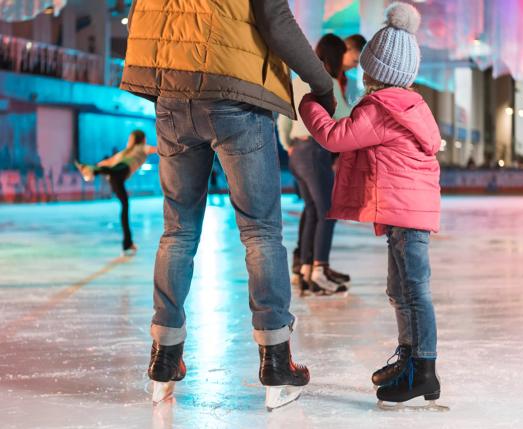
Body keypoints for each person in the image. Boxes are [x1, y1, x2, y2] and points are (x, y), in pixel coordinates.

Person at [120, 0, 336, 409]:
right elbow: (276, 19)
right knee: (260, 231)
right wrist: (320, 83)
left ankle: (164, 359)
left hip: (172, 93)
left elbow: (144, 20)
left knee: (177, 230)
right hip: (235, 96)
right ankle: (276, 360)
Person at [299, 3, 446, 410]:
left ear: (379, 73)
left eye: (368, 69)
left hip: (405, 212)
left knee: (413, 291)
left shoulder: (382, 109)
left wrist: (310, 101)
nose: (363, 75)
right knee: (400, 290)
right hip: (406, 212)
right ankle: (410, 359)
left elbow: (333, 136)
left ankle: (424, 367)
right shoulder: (411, 105)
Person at [278, 34, 352, 297]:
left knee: (312, 210)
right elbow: (344, 116)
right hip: (314, 151)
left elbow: (283, 120)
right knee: (327, 212)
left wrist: (289, 144)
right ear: (335, 56)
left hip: (297, 152)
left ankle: (306, 269)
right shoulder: (326, 83)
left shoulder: (298, 83)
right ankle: (318, 271)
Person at [75, 130, 155, 256]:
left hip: (115, 179)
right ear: (143, 139)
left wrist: (97, 166)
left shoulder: (125, 152)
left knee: (124, 205)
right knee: (115, 173)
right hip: (121, 172)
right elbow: (157, 149)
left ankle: (127, 243)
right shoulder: (142, 147)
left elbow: (108, 162)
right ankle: (91, 170)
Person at [341, 34, 367, 104]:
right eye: (355, 61)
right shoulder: (324, 73)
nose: (355, 67)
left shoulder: (345, 80)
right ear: (346, 48)